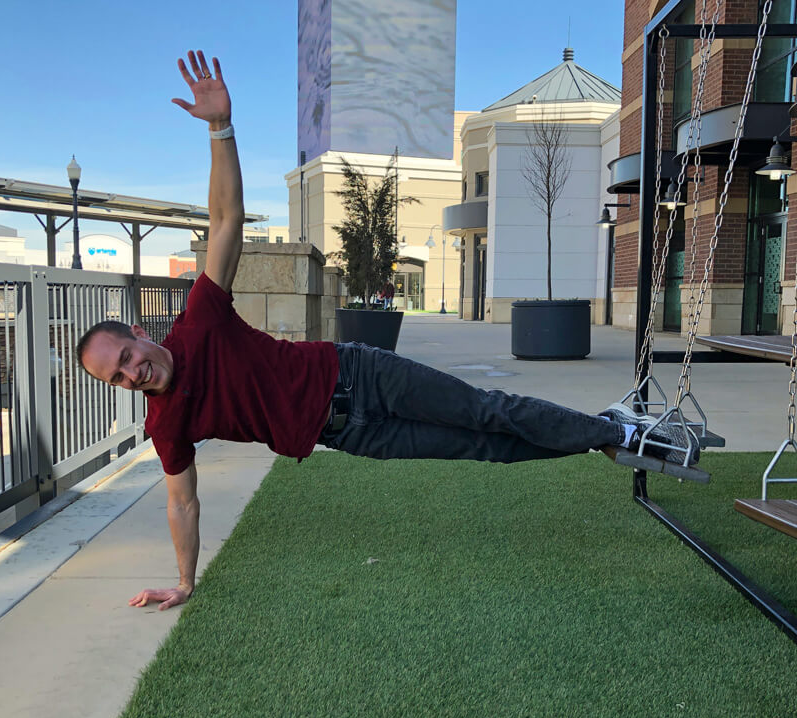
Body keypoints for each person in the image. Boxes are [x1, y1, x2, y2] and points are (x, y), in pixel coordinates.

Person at [77, 51, 698, 612]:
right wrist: (184, 581)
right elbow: (181, 502)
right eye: (120, 376)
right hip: (351, 435)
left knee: (487, 409)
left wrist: (221, 128)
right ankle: (606, 437)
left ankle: (618, 430)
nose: (134, 373)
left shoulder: (200, 321)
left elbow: (225, 218)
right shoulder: (166, 423)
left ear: (139, 332)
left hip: (358, 375)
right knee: (484, 446)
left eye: (128, 355)